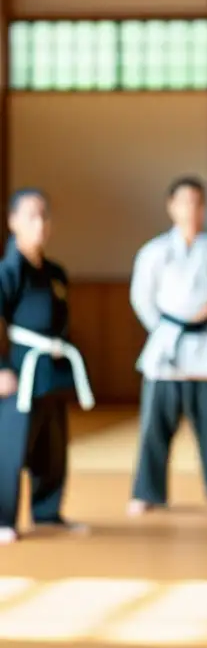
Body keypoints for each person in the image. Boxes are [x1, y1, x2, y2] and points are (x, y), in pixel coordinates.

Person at [127, 176, 207, 519]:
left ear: (204, 207)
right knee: (155, 424)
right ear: (171, 206)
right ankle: (146, 492)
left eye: (197, 202)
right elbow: (142, 299)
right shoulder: (154, 252)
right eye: (184, 202)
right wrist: (166, 329)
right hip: (168, 343)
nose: (191, 209)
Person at [0, 188, 94, 545]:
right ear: (13, 222)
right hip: (19, 371)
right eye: (30, 216)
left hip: (51, 367)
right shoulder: (7, 272)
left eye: (44, 216)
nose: (39, 223)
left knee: (52, 446)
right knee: (10, 446)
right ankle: (3, 518)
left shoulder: (55, 273)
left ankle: (47, 511)